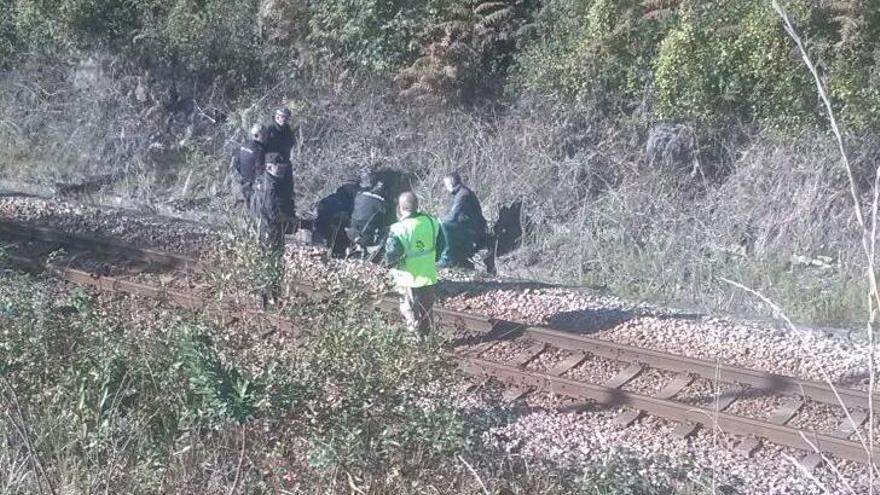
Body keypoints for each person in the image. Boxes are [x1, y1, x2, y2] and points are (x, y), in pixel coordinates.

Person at [384, 192, 445, 336]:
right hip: (428, 274)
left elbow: (391, 254)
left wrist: (391, 267)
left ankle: (415, 340)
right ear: (417, 205)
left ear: (400, 207)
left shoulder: (398, 228)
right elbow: (442, 245)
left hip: (407, 277)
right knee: (426, 310)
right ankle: (427, 337)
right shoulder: (432, 222)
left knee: (409, 309)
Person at [257, 153, 295, 307]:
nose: (281, 172)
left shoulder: (265, 181)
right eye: (278, 169)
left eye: (283, 169)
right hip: (270, 230)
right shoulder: (270, 187)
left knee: (270, 262)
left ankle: (270, 297)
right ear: (269, 167)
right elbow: (273, 214)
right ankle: (267, 299)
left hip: (265, 227)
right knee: (271, 263)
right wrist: (292, 221)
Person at [438, 172, 494, 273]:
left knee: (444, 226)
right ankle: (454, 257)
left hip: (474, 230)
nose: (446, 188)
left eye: (446, 185)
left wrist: (437, 222)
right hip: (467, 226)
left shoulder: (463, 195)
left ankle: (447, 258)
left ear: (451, 184)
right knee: (445, 225)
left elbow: (453, 216)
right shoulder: (460, 193)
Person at [314, 178, 359, 257]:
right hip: (331, 231)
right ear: (345, 186)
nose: (353, 189)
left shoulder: (355, 200)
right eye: (351, 187)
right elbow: (321, 214)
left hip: (343, 232)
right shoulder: (334, 199)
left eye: (354, 187)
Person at [347, 180, 388, 260]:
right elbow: (383, 223)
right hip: (367, 236)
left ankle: (356, 248)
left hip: (352, 231)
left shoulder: (359, 196)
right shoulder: (380, 203)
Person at [234, 123, 266, 207]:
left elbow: (236, 162)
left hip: (244, 180)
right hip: (253, 183)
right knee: (256, 205)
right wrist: (259, 183)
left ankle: (249, 218)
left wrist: (242, 175)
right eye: (264, 134)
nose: (266, 137)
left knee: (248, 203)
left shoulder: (243, 145)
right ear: (257, 135)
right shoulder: (259, 150)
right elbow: (259, 168)